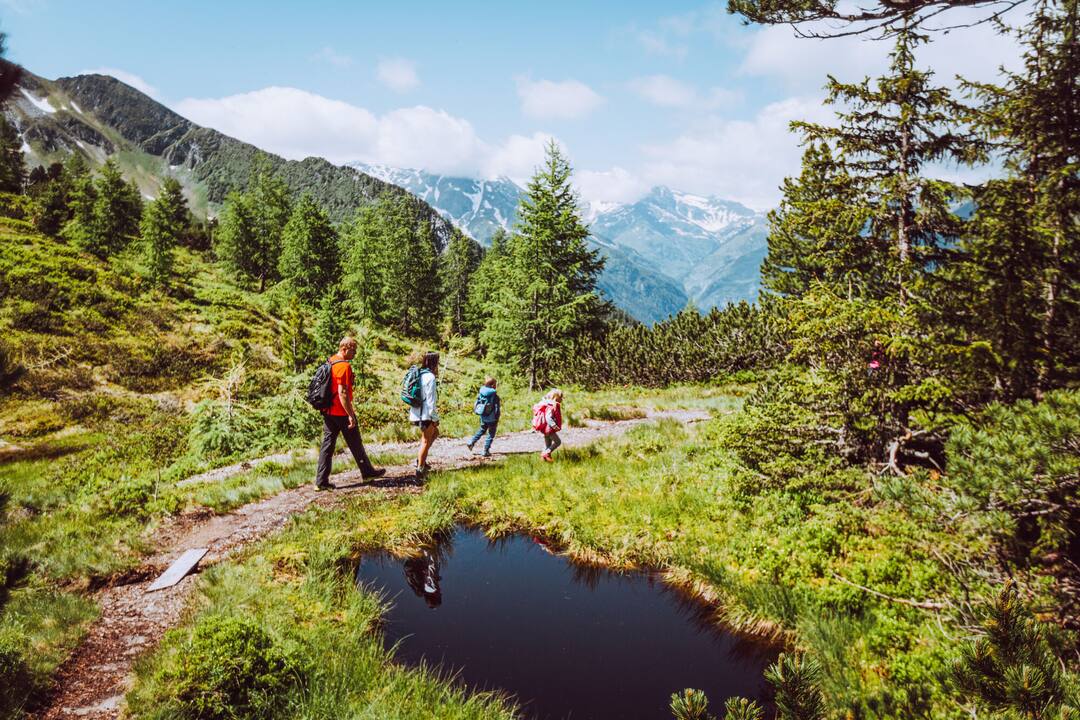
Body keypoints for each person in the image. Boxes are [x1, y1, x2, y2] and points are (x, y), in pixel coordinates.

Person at [314, 336, 385, 490]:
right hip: (341, 412)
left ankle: (321, 482)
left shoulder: (330, 361)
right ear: (344, 348)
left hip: (328, 411)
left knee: (327, 445)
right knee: (355, 443)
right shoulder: (344, 366)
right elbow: (343, 393)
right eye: (353, 350)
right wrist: (351, 415)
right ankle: (368, 473)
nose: (355, 353)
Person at [410, 351, 440, 476]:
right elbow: (431, 400)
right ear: (434, 363)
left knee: (435, 433)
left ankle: (421, 460)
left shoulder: (420, 374)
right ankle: (419, 469)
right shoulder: (430, 377)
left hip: (416, 412)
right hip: (426, 415)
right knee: (426, 441)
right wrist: (435, 418)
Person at [466, 377, 501, 457]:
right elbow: (496, 408)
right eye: (495, 384)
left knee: (482, 430)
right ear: (492, 385)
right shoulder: (494, 395)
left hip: (483, 415)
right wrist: (497, 417)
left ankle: (471, 442)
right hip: (492, 417)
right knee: (491, 433)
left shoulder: (481, 392)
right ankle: (485, 451)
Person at [533, 388, 563, 462]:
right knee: (558, 442)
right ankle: (546, 453)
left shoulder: (546, 404)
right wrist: (554, 426)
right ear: (556, 397)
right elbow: (548, 417)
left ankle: (544, 460)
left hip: (545, 428)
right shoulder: (551, 405)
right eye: (561, 397)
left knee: (547, 445)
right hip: (549, 428)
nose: (562, 399)